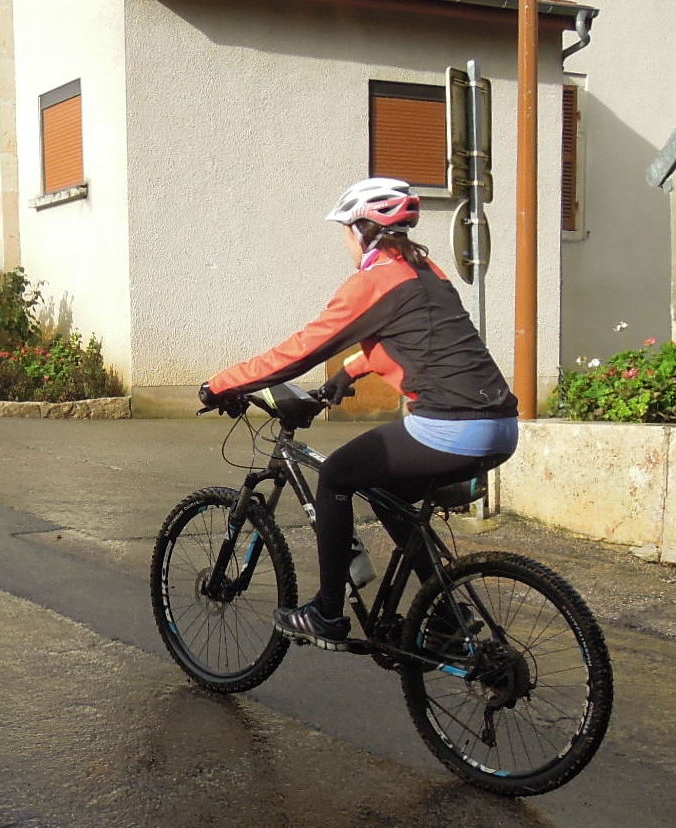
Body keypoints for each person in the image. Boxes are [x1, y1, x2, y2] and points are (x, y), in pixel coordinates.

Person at [200, 176, 519, 649]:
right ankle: (448, 616)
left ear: (361, 231)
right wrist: (349, 372)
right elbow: (418, 341)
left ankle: (327, 613)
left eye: (345, 233)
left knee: (337, 475)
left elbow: (299, 352)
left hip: (450, 427)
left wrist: (221, 384)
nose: (345, 243)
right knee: (387, 488)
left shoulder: (371, 283)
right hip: (501, 427)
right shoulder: (427, 272)